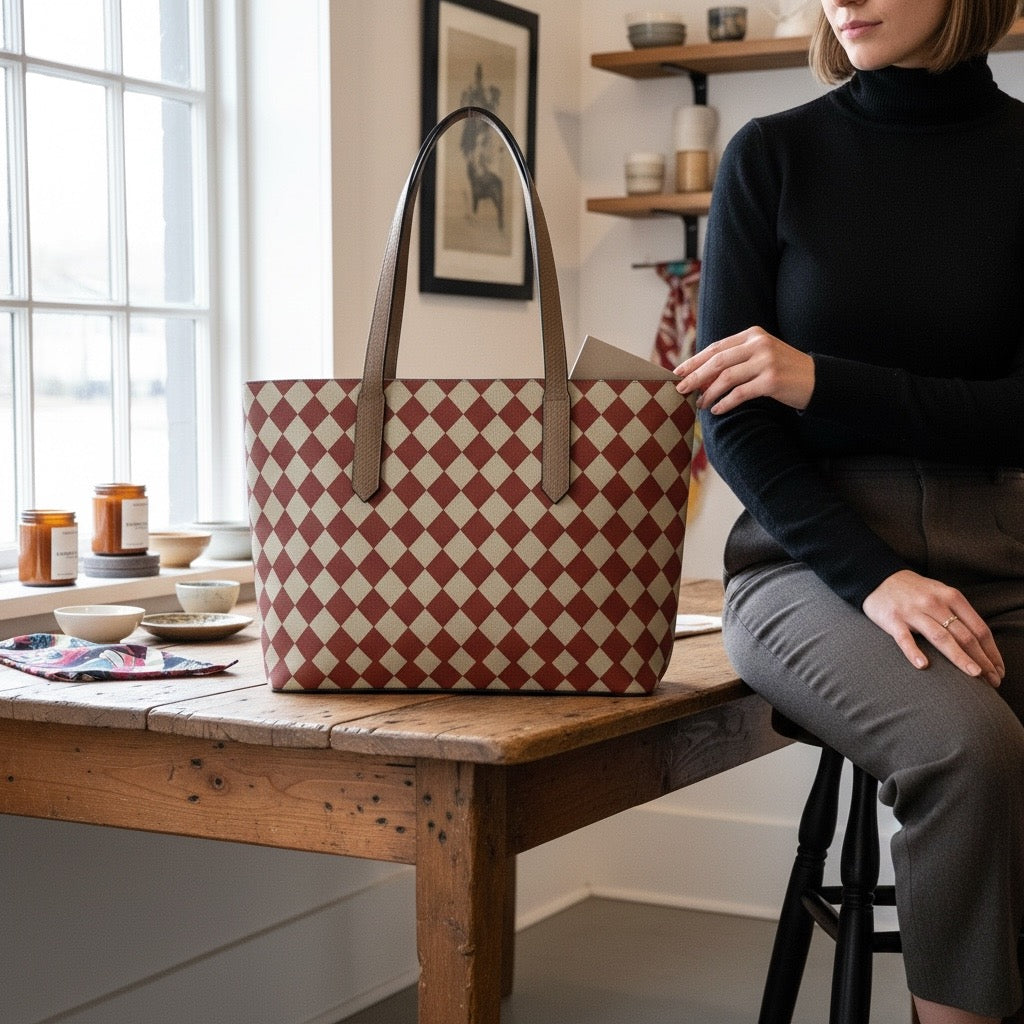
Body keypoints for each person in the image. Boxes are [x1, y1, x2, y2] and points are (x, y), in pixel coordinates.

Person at [674, 1, 1024, 1022]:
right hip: (806, 562)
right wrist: (874, 577)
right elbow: (731, 424)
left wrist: (822, 379)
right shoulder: (771, 157)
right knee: (970, 748)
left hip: (995, 548)